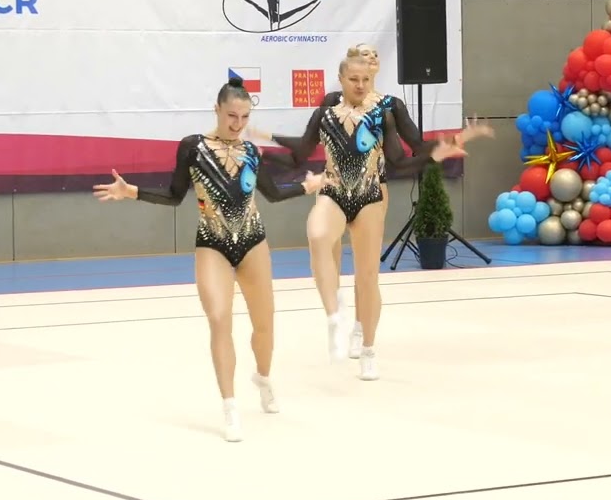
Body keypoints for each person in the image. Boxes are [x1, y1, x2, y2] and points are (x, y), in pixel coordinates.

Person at [92, 78, 327, 442]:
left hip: (253, 242)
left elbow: (273, 195)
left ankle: (262, 377)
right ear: (216, 109)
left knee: (264, 325)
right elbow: (174, 196)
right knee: (219, 320)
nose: (237, 123)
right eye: (231, 115)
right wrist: (131, 192)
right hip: (212, 243)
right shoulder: (193, 147)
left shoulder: (252, 152)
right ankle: (230, 406)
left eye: (245, 116)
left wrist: (308, 186)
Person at [262, 54, 489, 380]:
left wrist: (448, 146)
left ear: (373, 78)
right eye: (354, 79)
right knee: (317, 236)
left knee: (367, 277)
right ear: (340, 79)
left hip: (370, 195)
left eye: (365, 79)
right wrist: (262, 147)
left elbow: (399, 159)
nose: (360, 84)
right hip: (333, 192)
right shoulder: (325, 112)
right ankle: (335, 312)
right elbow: (300, 152)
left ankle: (367, 346)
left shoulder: (384, 113)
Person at [278, 43, 433, 360]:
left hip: (373, 187)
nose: (370, 58)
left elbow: (410, 147)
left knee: (366, 269)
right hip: (334, 188)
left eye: (375, 55)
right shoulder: (332, 104)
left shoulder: (390, 106)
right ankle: (337, 311)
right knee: (326, 249)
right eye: (363, 55)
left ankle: (363, 329)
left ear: (376, 67)